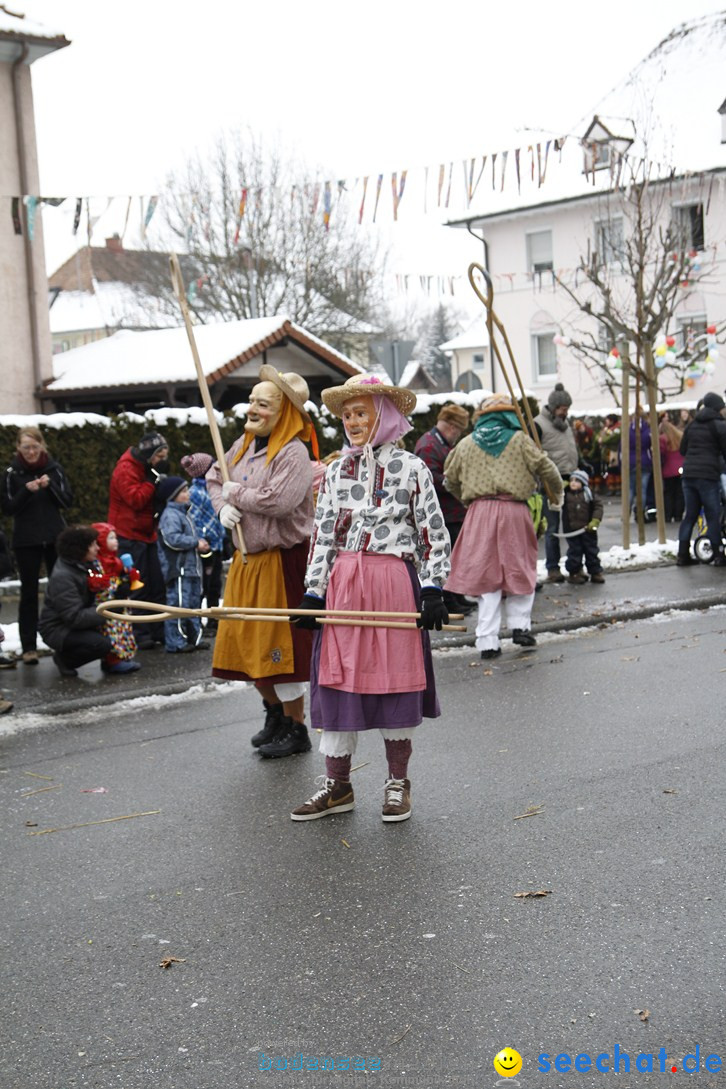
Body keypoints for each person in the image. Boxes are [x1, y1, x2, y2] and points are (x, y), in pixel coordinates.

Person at [290, 373, 450, 823]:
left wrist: (434, 586)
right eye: (347, 415)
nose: (353, 421)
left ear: (384, 414)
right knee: (339, 680)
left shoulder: (411, 468)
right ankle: (337, 786)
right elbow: (322, 535)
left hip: (393, 584)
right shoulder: (338, 470)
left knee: (394, 679)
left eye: (361, 412)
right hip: (344, 585)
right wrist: (313, 592)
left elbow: (432, 532)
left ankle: (397, 782)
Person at [207, 366, 317, 758]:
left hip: (282, 562)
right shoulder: (240, 445)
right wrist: (222, 507)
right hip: (246, 561)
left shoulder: (293, 452)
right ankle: (273, 714)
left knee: (279, 649)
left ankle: (296, 726)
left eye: (263, 403)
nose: (252, 408)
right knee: (245, 644)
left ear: (283, 410)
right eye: (252, 400)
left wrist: (237, 493)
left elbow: (278, 501)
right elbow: (214, 477)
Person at [444, 394, 562, 660]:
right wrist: (558, 495)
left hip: (480, 513)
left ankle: (487, 641)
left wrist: (468, 499)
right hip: (514, 511)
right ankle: (520, 626)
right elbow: (547, 467)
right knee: (519, 567)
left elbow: (449, 479)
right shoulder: (520, 440)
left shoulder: (465, 444)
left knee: (487, 575)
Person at [1, 426, 73, 664]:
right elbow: (8, 508)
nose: (31, 452)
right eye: (26, 447)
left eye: (35, 447)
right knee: (29, 594)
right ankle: (29, 647)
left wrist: (49, 486)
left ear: (42, 446)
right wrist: (26, 491)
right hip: (26, 540)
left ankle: (61, 642)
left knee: (59, 591)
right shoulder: (12, 473)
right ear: (18, 448)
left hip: (54, 537)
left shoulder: (54, 469)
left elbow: (67, 501)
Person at [107, 431, 169, 649]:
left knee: (156, 585)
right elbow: (135, 499)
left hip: (146, 533)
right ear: (149, 454)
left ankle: (159, 630)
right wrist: (153, 482)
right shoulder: (126, 469)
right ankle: (141, 633)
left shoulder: (143, 467)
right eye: (159, 457)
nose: (162, 462)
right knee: (138, 585)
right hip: (129, 535)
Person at [414, 403, 474, 615]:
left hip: (452, 512)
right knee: (447, 558)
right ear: (450, 426)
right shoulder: (430, 446)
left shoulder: (438, 444)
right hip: (442, 514)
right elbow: (428, 478)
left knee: (456, 558)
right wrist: (454, 483)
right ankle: (449, 600)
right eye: (457, 430)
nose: (457, 435)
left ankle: (457, 596)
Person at [38, 526, 114, 678]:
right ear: (81, 548)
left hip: (71, 622)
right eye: (93, 545)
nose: (98, 549)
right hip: (57, 628)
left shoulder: (82, 565)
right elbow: (74, 617)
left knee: (109, 636)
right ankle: (64, 659)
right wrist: (107, 611)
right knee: (101, 644)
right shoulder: (64, 576)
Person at [156, 477, 210, 653]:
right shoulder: (170, 515)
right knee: (178, 604)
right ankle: (175, 642)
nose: (188, 494)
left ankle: (194, 638)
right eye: (183, 492)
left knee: (194, 603)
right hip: (179, 569)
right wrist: (195, 543)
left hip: (191, 568)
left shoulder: (184, 514)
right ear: (173, 496)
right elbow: (172, 539)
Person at [533, 384, 578, 582]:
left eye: (567, 408)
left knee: (573, 525)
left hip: (570, 479)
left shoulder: (566, 424)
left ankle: (575, 566)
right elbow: (533, 454)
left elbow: (570, 448)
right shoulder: (537, 425)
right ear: (552, 407)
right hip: (549, 482)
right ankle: (553, 568)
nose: (565, 412)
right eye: (561, 408)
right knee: (552, 528)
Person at [677, 392, 726, 566]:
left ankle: (682, 555)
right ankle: (719, 554)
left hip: (688, 475)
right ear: (717, 408)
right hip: (707, 476)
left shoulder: (692, 425)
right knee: (713, 515)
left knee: (690, 515)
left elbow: (682, 450)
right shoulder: (719, 425)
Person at [180, 452, 226, 630]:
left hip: (217, 544)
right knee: (203, 586)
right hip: (205, 546)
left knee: (215, 584)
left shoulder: (214, 488)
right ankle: (197, 621)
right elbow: (194, 519)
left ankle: (213, 620)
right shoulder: (195, 493)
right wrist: (201, 539)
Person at [90, 522, 141, 673]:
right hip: (108, 604)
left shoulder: (117, 561)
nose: (116, 541)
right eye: (111, 538)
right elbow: (95, 581)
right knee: (111, 632)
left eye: (116, 538)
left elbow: (120, 577)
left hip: (120, 603)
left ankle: (123, 656)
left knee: (124, 629)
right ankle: (112, 660)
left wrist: (129, 577)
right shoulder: (97, 563)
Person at [562, 469, 605, 584]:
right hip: (572, 530)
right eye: (571, 480)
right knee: (574, 552)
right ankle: (574, 572)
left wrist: (595, 520)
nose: (573, 483)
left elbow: (598, 507)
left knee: (591, 551)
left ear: (584, 483)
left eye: (577, 481)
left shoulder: (589, 495)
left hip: (588, 530)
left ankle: (595, 572)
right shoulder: (566, 494)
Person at [625, 409, 652, 518]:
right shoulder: (647, 429)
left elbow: (622, 447)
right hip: (645, 461)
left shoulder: (628, 430)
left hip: (631, 462)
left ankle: (626, 512)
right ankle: (639, 513)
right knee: (643, 490)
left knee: (631, 489)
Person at [658, 415, 685, 522]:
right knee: (679, 492)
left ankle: (668, 515)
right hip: (680, 468)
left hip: (668, 469)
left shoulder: (662, 439)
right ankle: (678, 514)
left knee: (668, 493)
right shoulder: (679, 436)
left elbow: (661, 454)